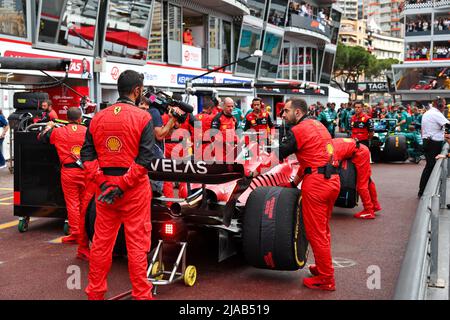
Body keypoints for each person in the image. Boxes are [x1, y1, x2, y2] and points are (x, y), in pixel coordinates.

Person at [81, 70, 156, 300]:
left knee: (101, 245)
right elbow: (145, 160)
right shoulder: (144, 118)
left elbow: (86, 155)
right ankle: (142, 295)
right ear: (137, 91)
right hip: (133, 189)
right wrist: (122, 185)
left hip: (105, 191)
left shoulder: (97, 118)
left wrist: (103, 182)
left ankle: (95, 294)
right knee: (137, 245)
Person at [278, 98, 340, 291]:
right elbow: (308, 161)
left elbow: (278, 153)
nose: (283, 114)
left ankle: (326, 279)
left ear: (298, 112)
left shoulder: (298, 130)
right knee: (323, 229)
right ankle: (323, 268)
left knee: (315, 232)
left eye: (286, 111)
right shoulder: (318, 124)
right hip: (333, 181)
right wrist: (293, 183)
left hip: (317, 185)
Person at [37, 107, 87, 245]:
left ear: (67, 119)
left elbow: (41, 137)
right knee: (85, 203)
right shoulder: (88, 131)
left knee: (73, 204)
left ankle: (76, 233)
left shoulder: (58, 132)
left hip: (69, 173)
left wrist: (49, 126)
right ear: (80, 119)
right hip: (86, 172)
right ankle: (86, 233)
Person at [332, 138, 381, 219]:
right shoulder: (331, 142)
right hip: (361, 150)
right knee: (367, 180)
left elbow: (333, 165)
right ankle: (375, 205)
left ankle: (368, 210)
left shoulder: (331, 149)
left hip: (360, 154)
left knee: (362, 185)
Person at [418, 97, 449, 197]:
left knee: (429, 166)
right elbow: (448, 125)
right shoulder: (436, 113)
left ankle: (423, 190)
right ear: (440, 105)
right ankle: (424, 192)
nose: (444, 106)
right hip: (433, 144)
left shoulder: (429, 112)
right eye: (444, 104)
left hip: (428, 142)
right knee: (431, 167)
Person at [210, 97, 238, 162]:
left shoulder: (234, 118)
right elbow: (212, 134)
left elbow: (236, 132)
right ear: (223, 106)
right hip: (220, 150)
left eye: (232, 106)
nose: (230, 108)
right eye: (228, 106)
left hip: (231, 149)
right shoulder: (217, 118)